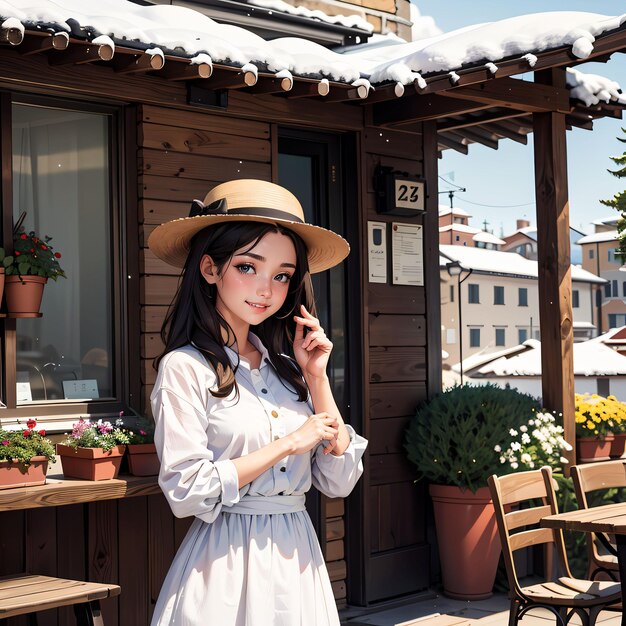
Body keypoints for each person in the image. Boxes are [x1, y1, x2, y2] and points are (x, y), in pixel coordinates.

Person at [147, 179, 367, 626]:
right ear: (210, 269)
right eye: (248, 267)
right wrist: (288, 444)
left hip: (298, 558)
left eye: (282, 275)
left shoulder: (288, 371)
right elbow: (186, 491)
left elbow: (339, 480)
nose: (266, 289)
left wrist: (317, 377)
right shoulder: (184, 369)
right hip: (225, 564)